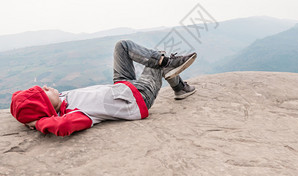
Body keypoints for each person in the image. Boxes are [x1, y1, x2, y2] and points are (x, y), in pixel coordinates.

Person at [10, 40, 197, 136]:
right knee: (158, 60)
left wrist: (26, 111)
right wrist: (36, 123)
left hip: (123, 86)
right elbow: (63, 127)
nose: (45, 86)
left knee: (122, 46)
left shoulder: (62, 98)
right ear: (46, 108)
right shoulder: (74, 114)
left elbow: (21, 104)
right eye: (43, 92)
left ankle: (171, 70)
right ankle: (176, 79)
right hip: (139, 97)